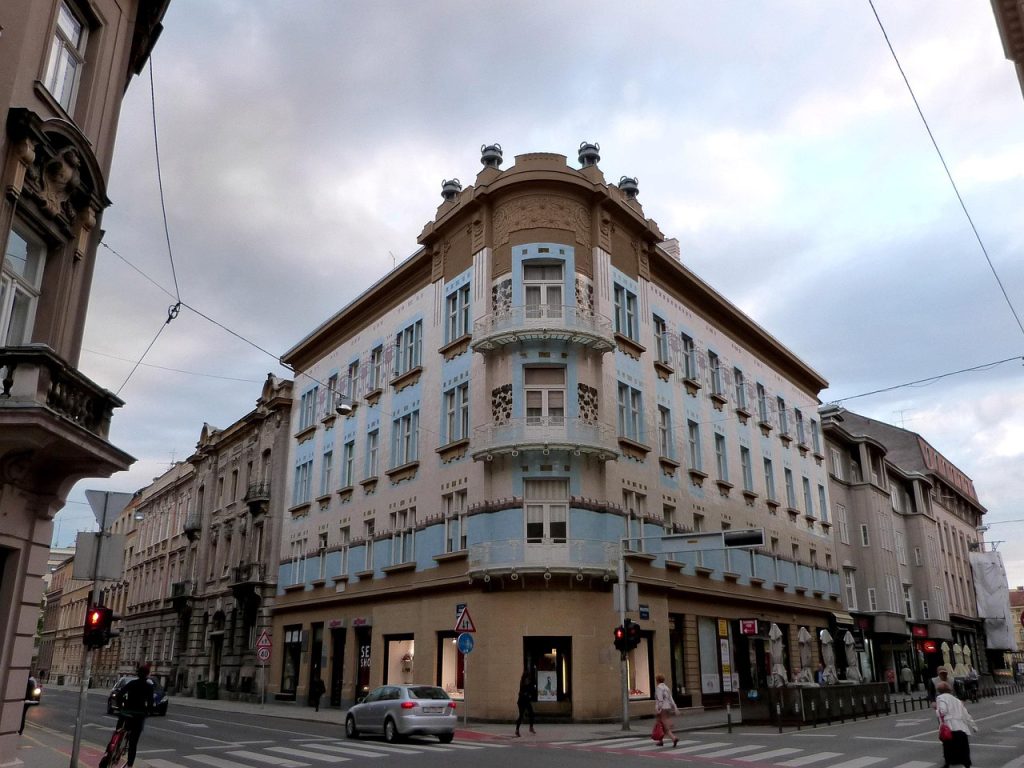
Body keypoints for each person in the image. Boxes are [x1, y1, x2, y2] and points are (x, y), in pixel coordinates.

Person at [112, 663, 155, 768]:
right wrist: (148, 711)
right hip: (139, 715)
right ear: (147, 675)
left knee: (118, 731)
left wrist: (120, 707)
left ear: (138, 674)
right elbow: (150, 702)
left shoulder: (131, 684)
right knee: (133, 743)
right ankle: (130, 765)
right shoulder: (149, 687)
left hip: (126, 712)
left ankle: (111, 750)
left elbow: (120, 694)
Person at [935, 681, 977, 768]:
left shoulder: (940, 698)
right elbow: (965, 713)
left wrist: (937, 711)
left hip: (950, 727)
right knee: (963, 747)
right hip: (961, 727)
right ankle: (967, 764)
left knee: (948, 747)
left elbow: (943, 711)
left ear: (939, 691)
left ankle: (947, 764)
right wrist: (973, 725)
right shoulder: (957, 700)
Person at [654, 674, 678, 748]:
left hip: (662, 708)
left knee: (663, 725)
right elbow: (671, 698)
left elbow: (660, 700)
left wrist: (658, 709)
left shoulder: (659, 688)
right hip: (668, 707)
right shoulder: (666, 687)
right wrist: (675, 708)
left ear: (657, 680)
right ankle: (660, 741)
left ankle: (674, 738)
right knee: (660, 724)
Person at [514, 669, 536, 736]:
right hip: (523, 701)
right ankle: (519, 729)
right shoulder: (526, 682)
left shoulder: (523, 681)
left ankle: (529, 728)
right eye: (528, 675)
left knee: (529, 713)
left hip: (524, 701)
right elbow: (528, 690)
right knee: (523, 715)